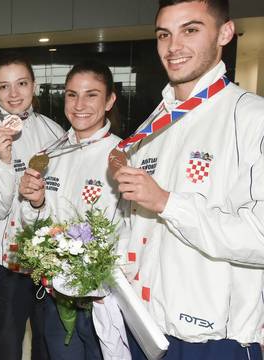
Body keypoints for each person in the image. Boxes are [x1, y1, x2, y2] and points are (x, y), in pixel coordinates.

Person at [112, 0, 264, 359]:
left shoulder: (252, 118)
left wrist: (167, 202)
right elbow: (134, 221)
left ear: (225, 32)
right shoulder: (155, 122)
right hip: (146, 327)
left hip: (215, 340)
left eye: (190, 30)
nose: (173, 46)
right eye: (164, 34)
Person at [19, 60, 128, 360]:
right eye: (71, 94)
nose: (79, 105)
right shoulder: (49, 154)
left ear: (109, 100)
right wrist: (35, 202)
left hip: (104, 300)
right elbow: (37, 224)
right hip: (57, 296)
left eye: (91, 95)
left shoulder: (124, 155)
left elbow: (132, 231)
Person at [0, 53, 64, 360]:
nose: (14, 94)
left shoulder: (56, 133)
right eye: (4, 86)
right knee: (5, 347)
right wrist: (2, 158)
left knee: (47, 344)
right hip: (6, 263)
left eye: (21, 83)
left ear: (35, 86)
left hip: (47, 261)